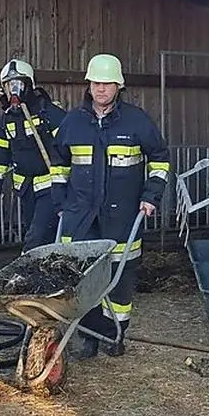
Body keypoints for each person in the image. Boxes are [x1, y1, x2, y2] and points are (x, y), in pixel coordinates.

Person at [50, 53, 170, 357]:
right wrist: (61, 202)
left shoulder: (137, 121)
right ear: (88, 85)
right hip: (81, 217)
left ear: (119, 86)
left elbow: (159, 159)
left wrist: (151, 195)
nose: (101, 89)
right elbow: (59, 164)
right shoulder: (72, 123)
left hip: (123, 217)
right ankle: (89, 338)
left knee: (120, 284)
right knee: (84, 281)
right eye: (96, 83)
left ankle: (115, 336)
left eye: (107, 83)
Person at [0, 58, 67, 253]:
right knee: (35, 233)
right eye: (9, 85)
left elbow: (68, 148)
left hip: (51, 189)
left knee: (36, 238)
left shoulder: (50, 114)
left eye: (19, 84)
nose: (14, 90)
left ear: (29, 85)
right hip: (26, 190)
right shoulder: (5, 122)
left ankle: (25, 273)